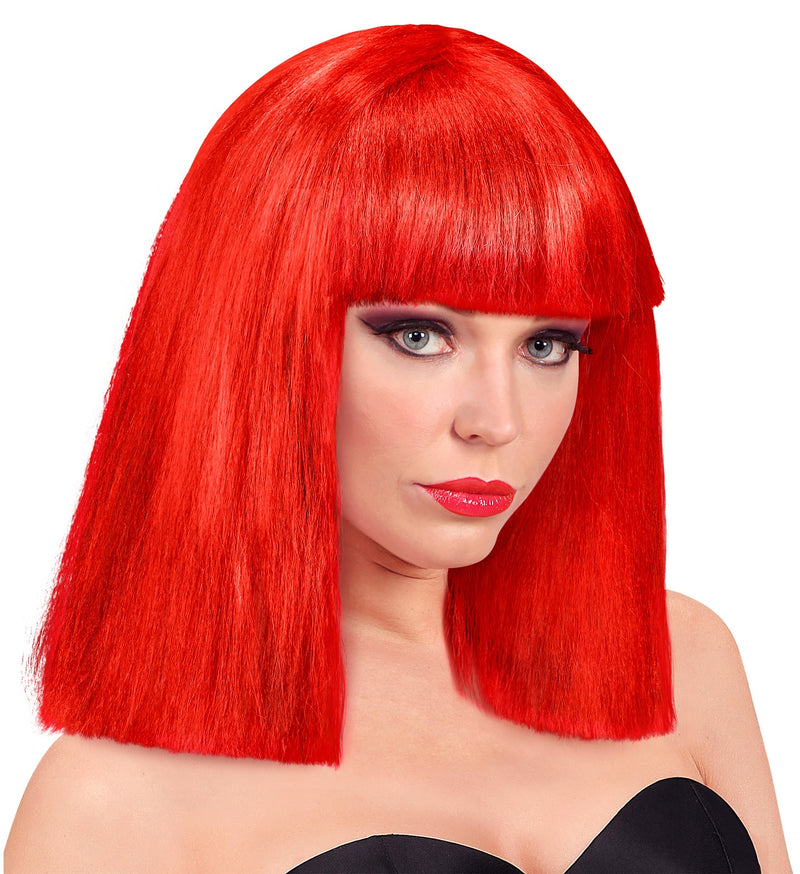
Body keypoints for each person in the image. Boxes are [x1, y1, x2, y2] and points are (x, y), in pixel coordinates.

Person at [5, 23, 791, 873]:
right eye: (421, 335)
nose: (497, 420)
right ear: (260, 340)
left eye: (547, 345)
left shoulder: (680, 659)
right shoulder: (108, 803)